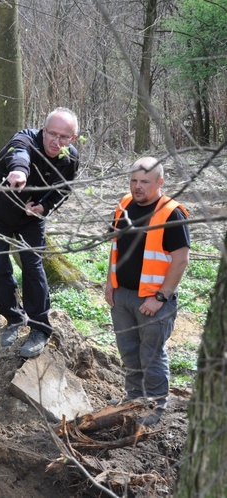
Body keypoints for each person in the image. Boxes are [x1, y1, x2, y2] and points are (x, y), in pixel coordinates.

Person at [0, 107, 79, 358]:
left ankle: (40, 328)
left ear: (73, 139)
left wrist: (43, 207)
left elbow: (62, 191)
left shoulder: (70, 159)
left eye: (63, 137)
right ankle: (14, 318)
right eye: (51, 133)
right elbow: (19, 154)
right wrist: (19, 172)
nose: (56, 141)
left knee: (33, 267)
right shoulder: (25, 139)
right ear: (43, 130)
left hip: (30, 219)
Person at [105, 156, 190, 426]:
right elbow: (115, 246)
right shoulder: (124, 205)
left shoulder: (171, 213)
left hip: (153, 300)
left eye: (144, 181)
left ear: (160, 182)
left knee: (151, 355)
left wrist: (160, 297)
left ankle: (154, 405)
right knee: (129, 351)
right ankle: (133, 398)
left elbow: (181, 260)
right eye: (133, 180)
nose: (137, 186)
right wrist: (110, 282)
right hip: (123, 296)